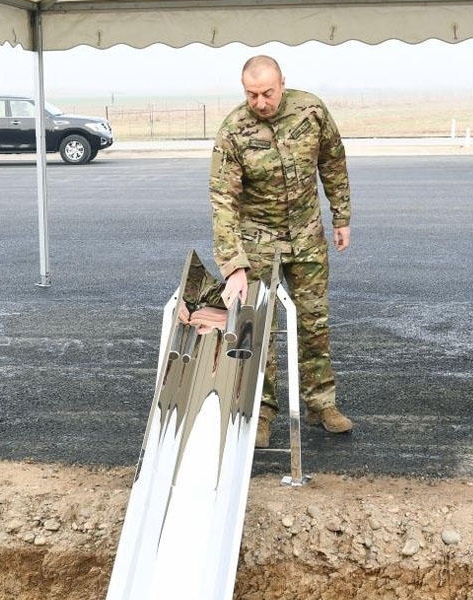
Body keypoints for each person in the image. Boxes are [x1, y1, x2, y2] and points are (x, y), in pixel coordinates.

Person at [209, 55, 353, 448]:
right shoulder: (233, 131)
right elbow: (222, 199)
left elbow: (333, 162)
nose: (260, 102)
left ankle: (320, 403)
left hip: (307, 236)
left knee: (314, 322)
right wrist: (233, 265)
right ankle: (262, 412)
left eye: (267, 93)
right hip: (258, 240)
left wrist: (342, 217)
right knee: (261, 328)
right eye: (251, 94)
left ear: (282, 84)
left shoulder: (311, 110)